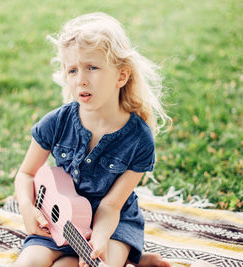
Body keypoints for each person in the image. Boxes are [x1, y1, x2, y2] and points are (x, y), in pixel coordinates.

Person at [13, 12, 177, 267]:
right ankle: (131, 261)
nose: (81, 79)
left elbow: (111, 206)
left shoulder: (139, 140)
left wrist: (98, 240)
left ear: (121, 76)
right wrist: (26, 206)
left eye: (92, 67)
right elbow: (26, 174)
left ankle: (128, 257)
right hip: (59, 220)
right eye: (73, 70)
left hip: (111, 224)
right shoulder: (56, 122)